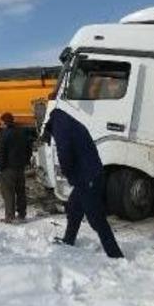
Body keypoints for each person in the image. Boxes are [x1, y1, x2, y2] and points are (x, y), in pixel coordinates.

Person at [44, 108, 124, 259]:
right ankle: (69, 239)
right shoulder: (67, 122)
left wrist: (67, 173)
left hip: (88, 178)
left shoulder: (61, 127)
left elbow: (65, 153)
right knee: (73, 208)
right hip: (87, 176)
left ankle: (116, 255)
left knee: (96, 219)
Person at [0, 112, 31, 224]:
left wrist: (0, 167)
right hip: (20, 167)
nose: (0, 124)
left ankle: (9, 216)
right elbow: (28, 149)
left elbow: (1, 153)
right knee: (20, 191)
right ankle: (22, 214)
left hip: (8, 168)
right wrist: (26, 161)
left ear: (4, 123)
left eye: (1, 122)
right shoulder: (21, 133)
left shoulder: (4, 135)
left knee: (8, 192)